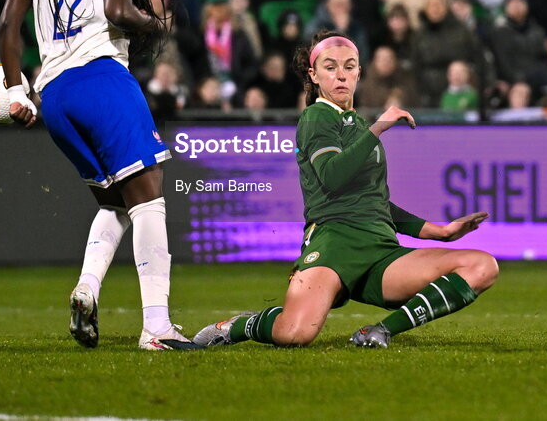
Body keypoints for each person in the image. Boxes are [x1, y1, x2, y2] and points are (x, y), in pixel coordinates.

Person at [191, 31, 497, 349]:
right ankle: (242, 325)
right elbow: (333, 177)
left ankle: (379, 331)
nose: (341, 75)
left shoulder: (358, 124)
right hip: (334, 242)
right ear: (313, 75)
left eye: (349, 67)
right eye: (330, 67)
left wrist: (441, 232)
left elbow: (376, 202)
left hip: (379, 250)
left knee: (482, 265)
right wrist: (378, 128)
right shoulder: (316, 117)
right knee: (296, 334)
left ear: (359, 72)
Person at [0, 0, 196, 351]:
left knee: (114, 202)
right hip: (101, 77)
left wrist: (14, 90)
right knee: (149, 197)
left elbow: (9, 27)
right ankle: (157, 327)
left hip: (55, 95)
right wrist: (155, 23)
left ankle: (87, 289)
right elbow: (117, 10)